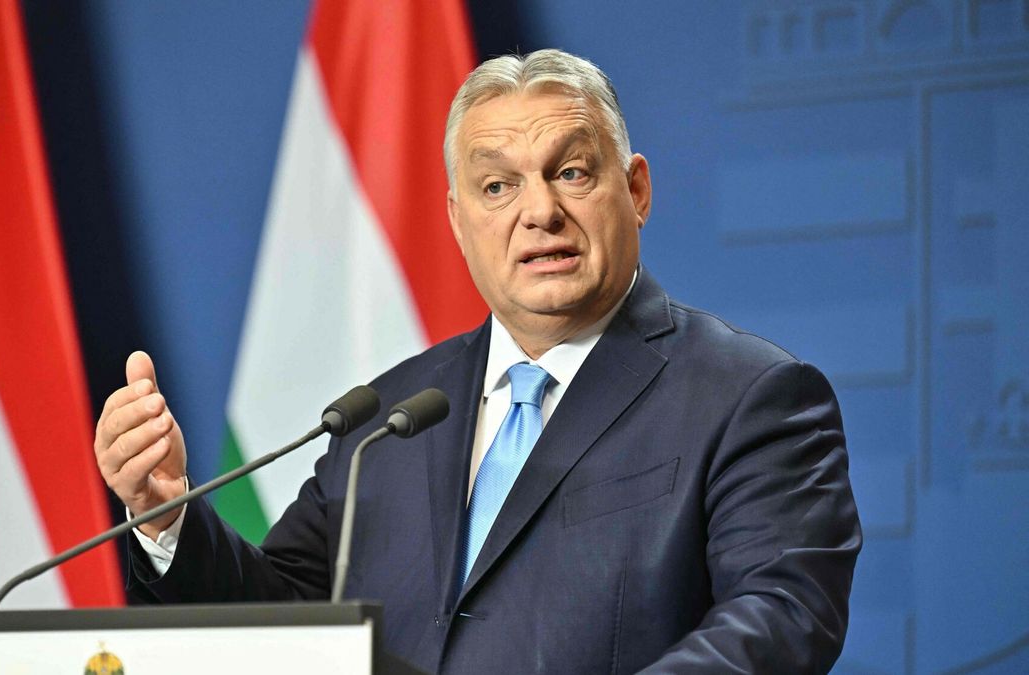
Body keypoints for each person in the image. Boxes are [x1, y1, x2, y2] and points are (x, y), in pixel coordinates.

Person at [93, 49, 861, 673]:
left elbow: (782, 619)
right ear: (460, 220)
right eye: (498, 185)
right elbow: (287, 618)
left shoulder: (750, 396)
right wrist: (168, 516)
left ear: (637, 191)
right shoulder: (387, 418)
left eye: (571, 172)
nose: (539, 212)